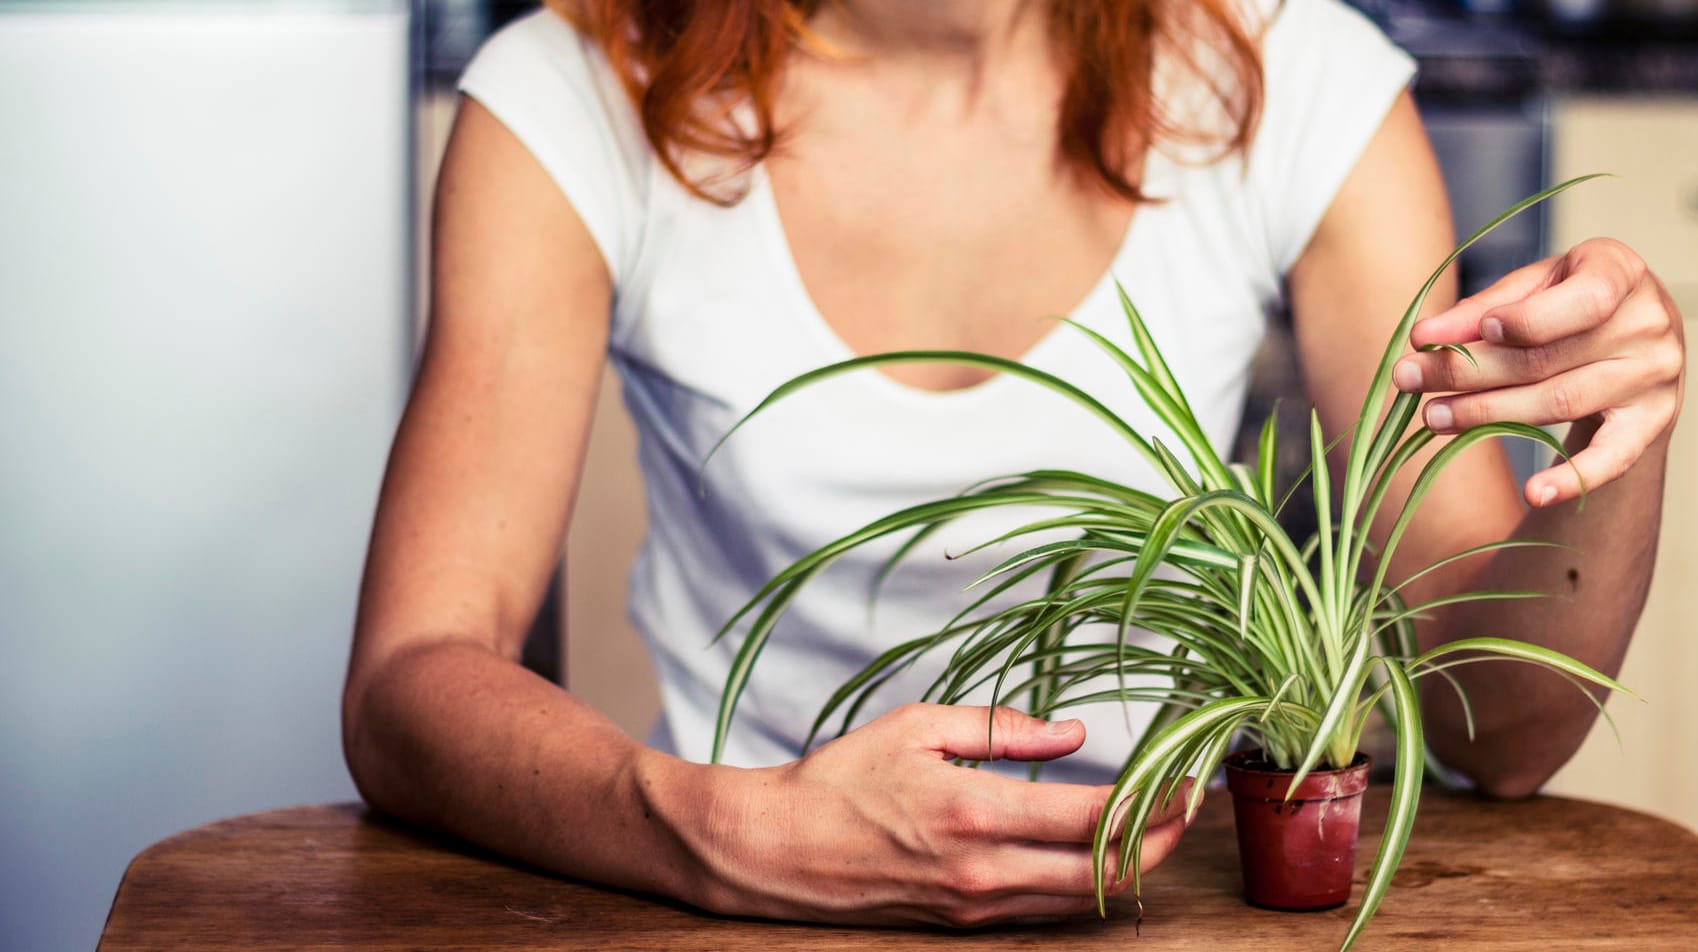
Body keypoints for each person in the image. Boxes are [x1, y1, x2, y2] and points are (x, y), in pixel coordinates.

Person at [341, 0, 1686, 929]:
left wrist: (1614, 442)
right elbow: (410, 679)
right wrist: (712, 830)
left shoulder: (1292, 75)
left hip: (1164, 914)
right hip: (731, 909)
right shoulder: (572, 92)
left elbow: (1496, 737)